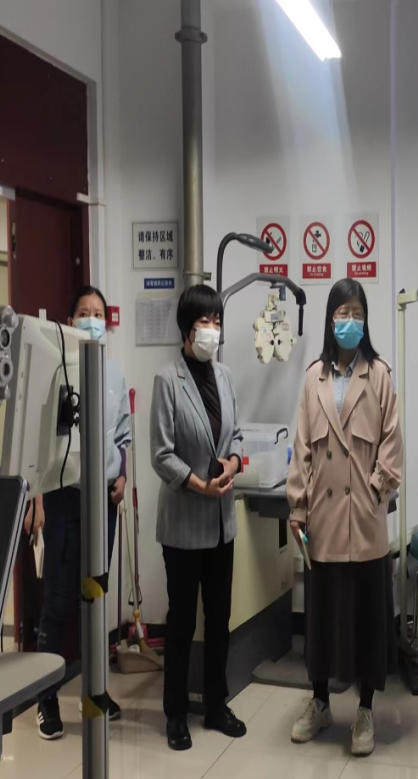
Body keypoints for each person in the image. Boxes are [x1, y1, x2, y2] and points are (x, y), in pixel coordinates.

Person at [286, 278, 403, 758]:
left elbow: (392, 446)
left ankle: (365, 709)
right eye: (341, 312)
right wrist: (297, 505)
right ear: (329, 319)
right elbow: (301, 448)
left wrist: (374, 492)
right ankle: (319, 703)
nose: (349, 321)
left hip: (364, 517)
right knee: (322, 615)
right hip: (323, 517)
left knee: (367, 617)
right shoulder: (313, 377)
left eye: (356, 312)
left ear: (365, 319)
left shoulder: (380, 375)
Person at [27, 285, 131, 741]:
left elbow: (122, 436)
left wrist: (122, 474)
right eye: (84, 313)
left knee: (95, 598)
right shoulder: (55, 371)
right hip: (63, 497)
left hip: (101, 500)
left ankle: (95, 691)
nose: (92, 320)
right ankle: (46, 699)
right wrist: (35, 499)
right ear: (69, 322)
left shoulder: (114, 374)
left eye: (99, 314)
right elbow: (35, 439)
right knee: (57, 601)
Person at [150, 284, 246, 751]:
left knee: (219, 617)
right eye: (205, 321)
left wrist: (233, 464)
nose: (213, 330)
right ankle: (175, 713)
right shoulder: (167, 381)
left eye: (217, 321)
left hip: (222, 523)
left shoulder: (224, 376)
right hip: (185, 526)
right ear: (187, 329)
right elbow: (161, 454)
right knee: (182, 621)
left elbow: (237, 434)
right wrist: (198, 483)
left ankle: (215, 704)